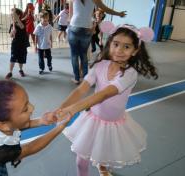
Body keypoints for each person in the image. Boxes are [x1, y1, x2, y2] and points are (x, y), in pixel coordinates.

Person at [56, 23, 158, 176]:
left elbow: (103, 94)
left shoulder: (129, 74)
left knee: (103, 149)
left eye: (126, 47)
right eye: (116, 44)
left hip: (113, 123)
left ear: (135, 51)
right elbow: (81, 88)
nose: (119, 50)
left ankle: (102, 165)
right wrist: (62, 107)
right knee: (80, 161)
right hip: (92, 119)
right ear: (110, 43)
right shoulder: (99, 66)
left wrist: (72, 109)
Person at [67, 0, 126, 84]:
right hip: (87, 27)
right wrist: (119, 14)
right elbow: (105, 9)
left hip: (74, 26)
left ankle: (77, 78)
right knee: (83, 54)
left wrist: (69, 26)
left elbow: (70, 15)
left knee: (74, 55)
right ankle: (85, 79)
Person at [6, 8, 28, 79]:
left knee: (21, 58)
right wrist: (12, 32)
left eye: (14, 15)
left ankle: (20, 70)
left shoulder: (22, 22)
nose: (12, 16)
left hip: (22, 44)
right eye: (12, 15)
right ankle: (10, 72)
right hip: (15, 44)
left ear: (18, 15)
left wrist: (16, 18)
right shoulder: (12, 25)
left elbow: (22, 26)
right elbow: (10, 36)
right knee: (13, 57)